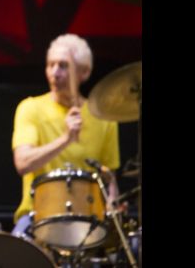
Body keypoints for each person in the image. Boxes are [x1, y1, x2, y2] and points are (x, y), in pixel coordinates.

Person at [11, 33, 120, 237]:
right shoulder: (31, 108)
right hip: (36, 217)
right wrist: (65, 139)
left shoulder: (103, 117)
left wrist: (112, 205)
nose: (55, 72)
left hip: (88, 220)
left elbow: (108, 176)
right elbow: (23, 163)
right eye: (50, 65)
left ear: (84, 72)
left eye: (63, 66)